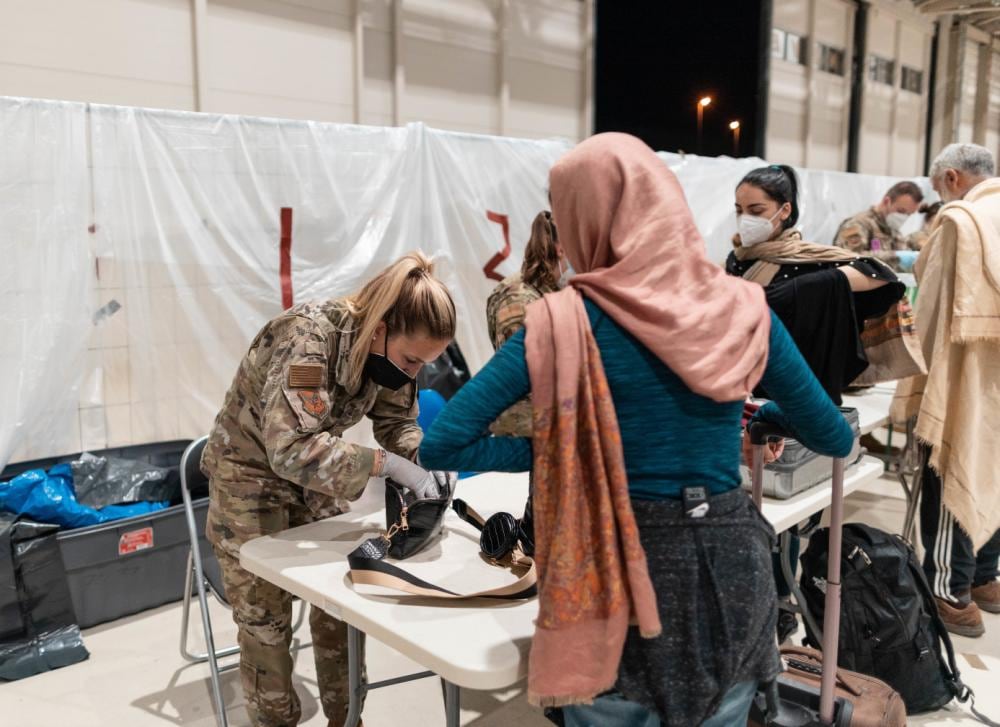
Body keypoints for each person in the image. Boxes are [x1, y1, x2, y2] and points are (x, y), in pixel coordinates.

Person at [420, 133, 855, 727]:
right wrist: (767, 418)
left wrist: (562, 447)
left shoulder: (558, 321)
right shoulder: (744, 307)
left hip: (607, 573)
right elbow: (833, 437)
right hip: (728, 567)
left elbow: (446, 442)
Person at [201, 252, 457, 727]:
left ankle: (347, 720)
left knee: (341, 605)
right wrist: (386, 464)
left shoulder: (389, 356)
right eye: (410, 359)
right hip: (249, 481)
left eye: (425, 363)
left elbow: (397, 420)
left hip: (315, 483)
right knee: (266, 626)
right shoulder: (308, 340)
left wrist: (425, 463)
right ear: (380, 327)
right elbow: (291, 448)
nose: (414, 372)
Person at [901, 143, 1000, 638]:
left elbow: (929, 298)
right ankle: (985, 577)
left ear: (954, 177)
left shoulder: (961, 223)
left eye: (939, 185)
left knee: (951, 461)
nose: (939, 195)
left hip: (964, 368)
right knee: (992, 467)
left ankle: (949, 592)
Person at [727, 165, 908, 408]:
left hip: (793, 393)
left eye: (756, 210)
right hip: (740, 385)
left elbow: (882, 275)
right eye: (739, 210)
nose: (745, 219)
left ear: (784, 210)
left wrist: (804, 287)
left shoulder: (806, 261)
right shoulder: (738, 259)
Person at [485, 210, 568, 436]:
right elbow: (528, 376)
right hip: (537, 426)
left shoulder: (550, 292)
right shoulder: (518, 299)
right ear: (561, 250)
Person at [833, 180, 924, 270]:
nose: (903, 217)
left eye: (908, 214)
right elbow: (850, 256)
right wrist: (895, 257)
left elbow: (903, 253)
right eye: (901, 211)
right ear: (886, 201)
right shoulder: (857, 224)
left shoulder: (892, 229)